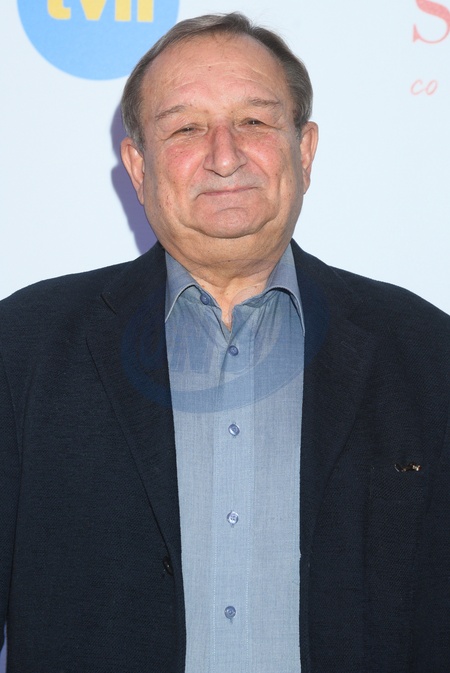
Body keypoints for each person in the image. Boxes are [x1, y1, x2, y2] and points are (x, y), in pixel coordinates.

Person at [1, 11, 449, 673]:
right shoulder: (23, 348)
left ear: (304, 150)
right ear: (137, 166)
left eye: (255, 121)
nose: (224, 155)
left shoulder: (426, 354)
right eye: (185, 128)